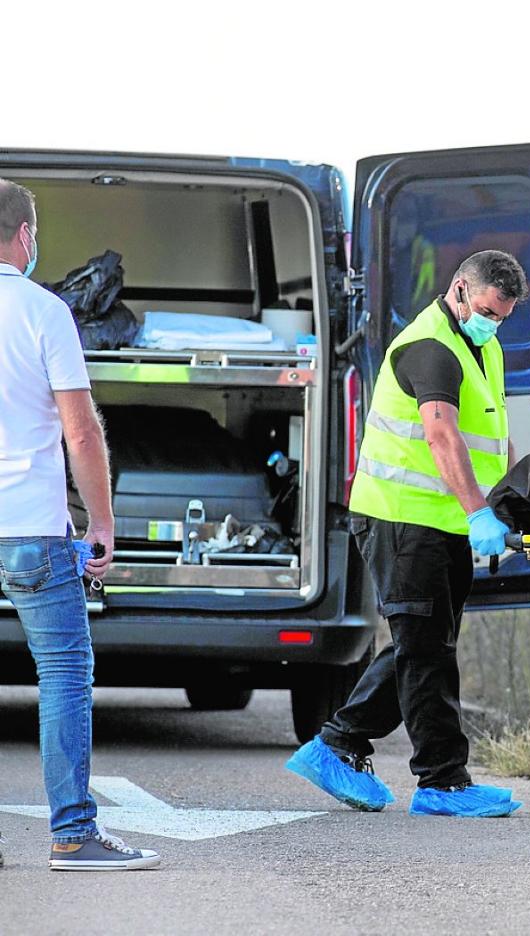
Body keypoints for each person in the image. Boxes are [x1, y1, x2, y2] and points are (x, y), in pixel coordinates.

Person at [287, 250, 525, 818]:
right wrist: (477, 512)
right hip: (402, 519)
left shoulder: (483, 346)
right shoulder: (432, 346)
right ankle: (441, 781)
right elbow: (442, 436)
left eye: (505, 315)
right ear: (461, 290)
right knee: (425, 652)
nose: (496, 323)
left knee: (426, 646)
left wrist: (510, 499)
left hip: (443, 521)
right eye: (490, 311)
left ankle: (339, 745)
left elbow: (492, 433)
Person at [0, 179, 160, 869]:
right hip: (32, 528)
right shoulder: (43, 311)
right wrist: (101, 521)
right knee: (63, 671)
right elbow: (81, 434)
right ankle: (72, 834)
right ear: (25, 238)